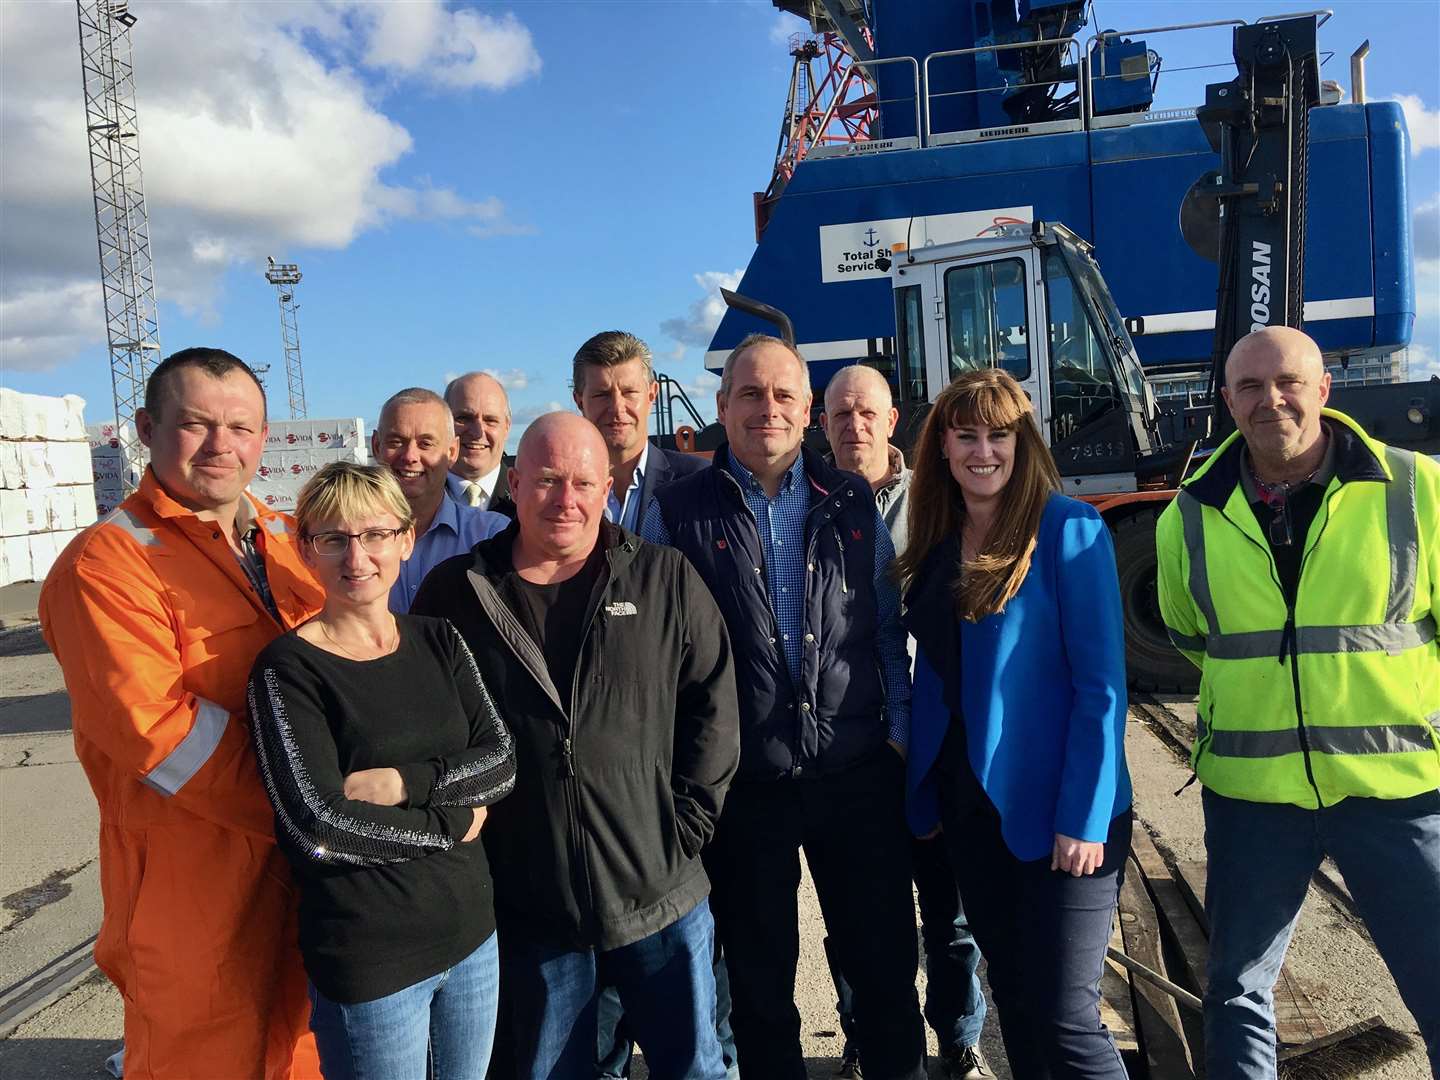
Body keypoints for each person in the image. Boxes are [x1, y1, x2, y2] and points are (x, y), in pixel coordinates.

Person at [412, 412, 740, 1080]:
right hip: (533, 910)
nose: (567, 499)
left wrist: (686, 824)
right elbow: (428, 731)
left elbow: (713, 701)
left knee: (696, 1068)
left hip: (660, 897)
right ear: (515, 481)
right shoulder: (457, 591)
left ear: (608, 488)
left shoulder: (662, 579)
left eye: (584, 482)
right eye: (550, 480)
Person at [1156, 325, 1440, 1078]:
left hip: (1396, 792)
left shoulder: (1418, 489)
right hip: (1253, 795)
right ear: (1226, 401)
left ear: (1323, 389)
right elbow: (1193, 636)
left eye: (1287, 382)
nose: (1269, 399)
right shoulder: (1188, 515)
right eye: (1249, 387)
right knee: (1237, 989)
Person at [643, 335, 926, 1080]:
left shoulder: (852, 500)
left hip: (856, 776)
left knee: (886, 977)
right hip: (744, 791)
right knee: (762, 992)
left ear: (807, 410)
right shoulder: (676, 514)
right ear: (721, 406)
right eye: (749, 394)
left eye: (782, 396)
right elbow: (651, 657)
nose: (766, 409)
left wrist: (896, 736)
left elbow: (887, 630)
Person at [39, 347, 325, 1079]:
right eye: (196, 425)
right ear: (146, 427)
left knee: (305, 1050)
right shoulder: (108, 565)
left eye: (241, 427)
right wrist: (313, 806)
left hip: (302, 866)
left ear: (265, 437)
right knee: (203, 1053)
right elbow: (160, 731)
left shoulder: (287, 541)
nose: (222, 446)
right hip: (190, 881)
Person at [247, 462, 516, 1080]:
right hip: (372, 959)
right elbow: (319, 826)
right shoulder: (288, 670)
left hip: (472, 938)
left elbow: (499, 762)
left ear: (405, 540)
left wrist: (404, 785)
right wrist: (451, 822)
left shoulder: (439, 639)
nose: (356, 556)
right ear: (305, 549)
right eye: (333, 538)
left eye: (374, 534)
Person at [898, 368, 1131, 1080]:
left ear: (1023, 442)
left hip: (1061, 815)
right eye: (965, 435)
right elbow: (938, 677)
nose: (983, 451)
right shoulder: (939, 540)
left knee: (1066, 1016)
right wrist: (923, 793)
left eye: (999, 435)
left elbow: (1102, 690)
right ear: (941, 446)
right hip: (972, 813)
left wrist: (1085, 817)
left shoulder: (1068, 529)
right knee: (1018, 1001)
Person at [819, 364, 990, 1080]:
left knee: (947, 916)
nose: (853, 426)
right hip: (855, 748)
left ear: (893, 422)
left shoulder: (940, 503)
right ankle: (865, 1033)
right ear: (821, 427)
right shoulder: (809, 504)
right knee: (856, 918)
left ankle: (958, 1037)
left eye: (866, 413)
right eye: (839, 416)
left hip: (935, 741)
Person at [370, 387, 507, 611]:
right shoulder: (345, 541)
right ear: (376, 446)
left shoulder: (492, 536)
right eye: (396, 442)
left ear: (452, 452)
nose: (410, 456)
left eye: (426, 444)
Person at [571, 330, 707, 532]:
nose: (617, 407)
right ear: (579, 401)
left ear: (652, 395)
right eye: (602, 395)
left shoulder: (699, 482)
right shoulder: (560, 491)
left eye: (629, 392)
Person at [445, 372, 516, 517]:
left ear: (507, 427)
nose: (477, 432)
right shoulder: (410, 499)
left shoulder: (529, 501)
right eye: (464, 418)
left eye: (490, 420)